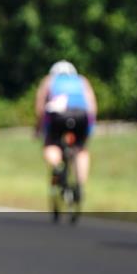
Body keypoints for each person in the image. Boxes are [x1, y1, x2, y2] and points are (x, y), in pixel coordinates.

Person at [34, 61, 97, 202]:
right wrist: (90, 128)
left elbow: (40, 106)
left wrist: (39, 128)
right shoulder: (82, 81)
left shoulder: (49, 80)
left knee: (51, 145)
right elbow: (92, 105)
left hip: (58, 116)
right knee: (81, 150)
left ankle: (57, 167)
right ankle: (80, 185)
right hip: (81, 116)